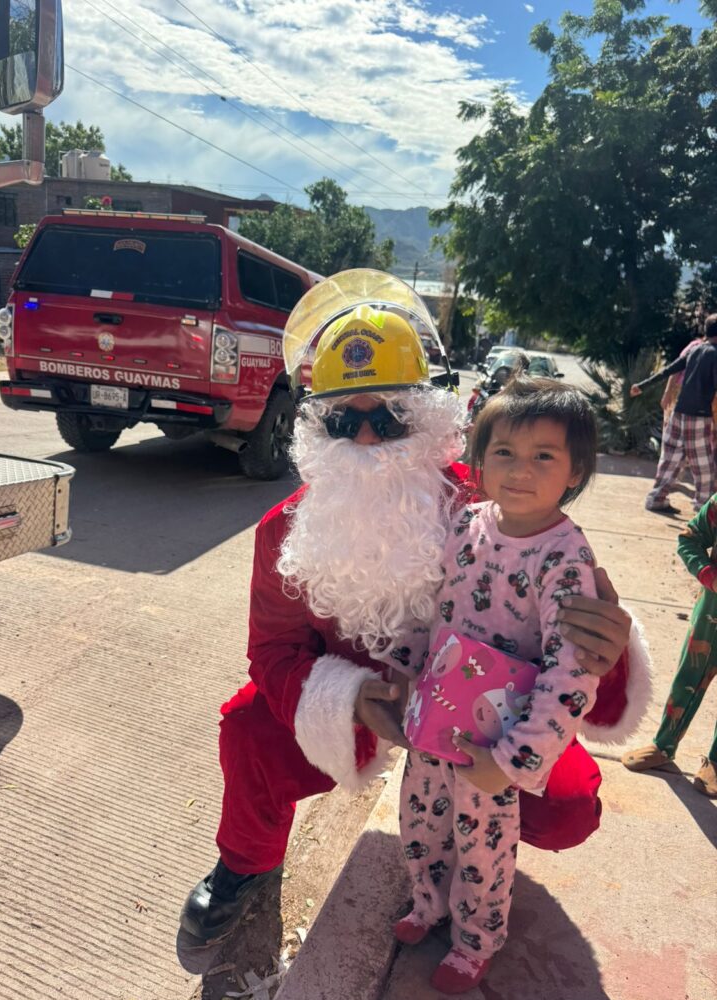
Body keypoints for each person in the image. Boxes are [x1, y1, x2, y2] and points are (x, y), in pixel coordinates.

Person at [179, 273, 645, 951]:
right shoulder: (284, 533)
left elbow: (566, 628)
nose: (367, 441)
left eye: (389, 418)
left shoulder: (485, 509)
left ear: (425, 416)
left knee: (569, 807)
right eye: (344, 420)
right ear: (317, 428)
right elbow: (274, 655)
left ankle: (475, 842)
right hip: (366, 707)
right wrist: (359, 699)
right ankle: (247, 862)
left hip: (488, 711)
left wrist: (610, 644)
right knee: (249, 730)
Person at [379, 377, 611, 993]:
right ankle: (427, 903)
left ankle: (476, 939)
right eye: (504, 452)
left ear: (575, 470)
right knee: (420, 818)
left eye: (544, 456)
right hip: (435, 715)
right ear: (479, 460)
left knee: (483, 844)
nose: (520, 470)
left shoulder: (565, 558)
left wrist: (511, 761)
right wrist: (402, 668)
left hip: (495, 738)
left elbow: (572, 671)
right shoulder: (465, 525)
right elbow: (431, 605)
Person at [622, 494, 717, 798]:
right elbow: (689, 539)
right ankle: (664, 744)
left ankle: (715, 762)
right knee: (688, 676)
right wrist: (710, 576)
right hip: (711, 612)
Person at [630, 314, 717, 514]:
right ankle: (704, 510)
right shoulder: (715, 354)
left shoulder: (695, 349)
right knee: (703, 466)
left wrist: (641, 386)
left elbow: (670, 369)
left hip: (679, 413)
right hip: (699, 416)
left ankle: (656, 499)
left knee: (670, 459)